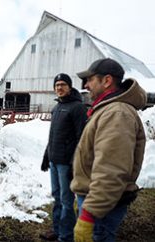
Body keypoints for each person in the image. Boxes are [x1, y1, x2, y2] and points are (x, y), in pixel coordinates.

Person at [71, 58, 147, 242]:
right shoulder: (108, 110)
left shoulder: (116, 113)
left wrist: (89, 213)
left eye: (90, 80)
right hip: (96, 199)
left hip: (102, 207)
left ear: (106, 81)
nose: (86, 86)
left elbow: (111, 170)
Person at [40, 73, 87, 242]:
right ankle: (57, 230)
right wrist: (47, 156)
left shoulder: (78, 108)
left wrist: (73, 164)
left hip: (66, 164)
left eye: (63, 84)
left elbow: (81, 138)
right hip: (54, 160)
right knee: (57, 196)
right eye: (57, 85)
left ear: (69, 86)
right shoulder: (57, 107)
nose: (59, 88)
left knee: (67, 201)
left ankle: (66, 236)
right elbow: (53, 136)